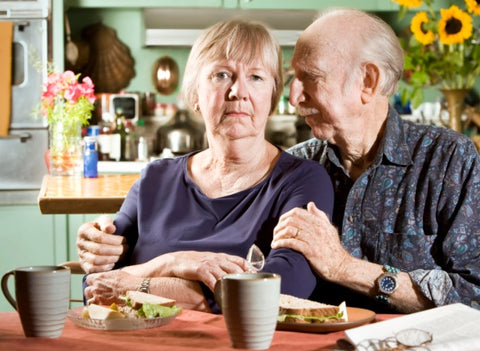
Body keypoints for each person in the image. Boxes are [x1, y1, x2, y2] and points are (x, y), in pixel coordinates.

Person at [76, 19, 334, 312]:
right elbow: (95, 287)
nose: (239, 91)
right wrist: (174, 263)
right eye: (222, 74)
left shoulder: (302, 181)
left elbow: (281, 289)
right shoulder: (155, 180)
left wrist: (137, 283)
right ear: (195, 95)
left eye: (256, 77)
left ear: (272, 98)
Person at [271, 7, 480, 314]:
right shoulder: (295, 166)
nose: (293, 96)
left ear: (367, 81)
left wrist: (342, 267)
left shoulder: (450, 160)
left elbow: (474, 294)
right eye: (293, 78)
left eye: (310, 77)